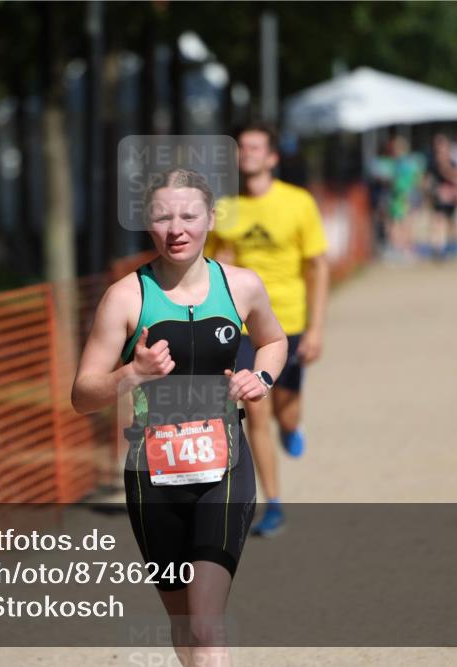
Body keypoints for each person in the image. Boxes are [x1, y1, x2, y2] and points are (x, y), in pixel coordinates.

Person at [72, 167, 287, 665]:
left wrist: (263, 378)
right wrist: (133, 373)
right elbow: (83, 395)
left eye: (189, 215)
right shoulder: (126, 297)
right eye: (163, 217)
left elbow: (274, 341)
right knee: (185, 625)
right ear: (147, 223)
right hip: (152, 478)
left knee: (207, 623)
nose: (177, 228)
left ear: (211, 218)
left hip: (225, 470)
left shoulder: (241, 286)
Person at [205, 122, 330, 537]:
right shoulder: (225, 210)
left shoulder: (298, 203)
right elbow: (207, 268)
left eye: (256, 147)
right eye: (242, 147)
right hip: (241, 326)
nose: (248, 153)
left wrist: (315, 328)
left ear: (273, 157)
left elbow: (317, 267)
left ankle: (293, 425)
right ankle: (273, 503)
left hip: (289, 321)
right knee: (254, 406)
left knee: (285, 409)